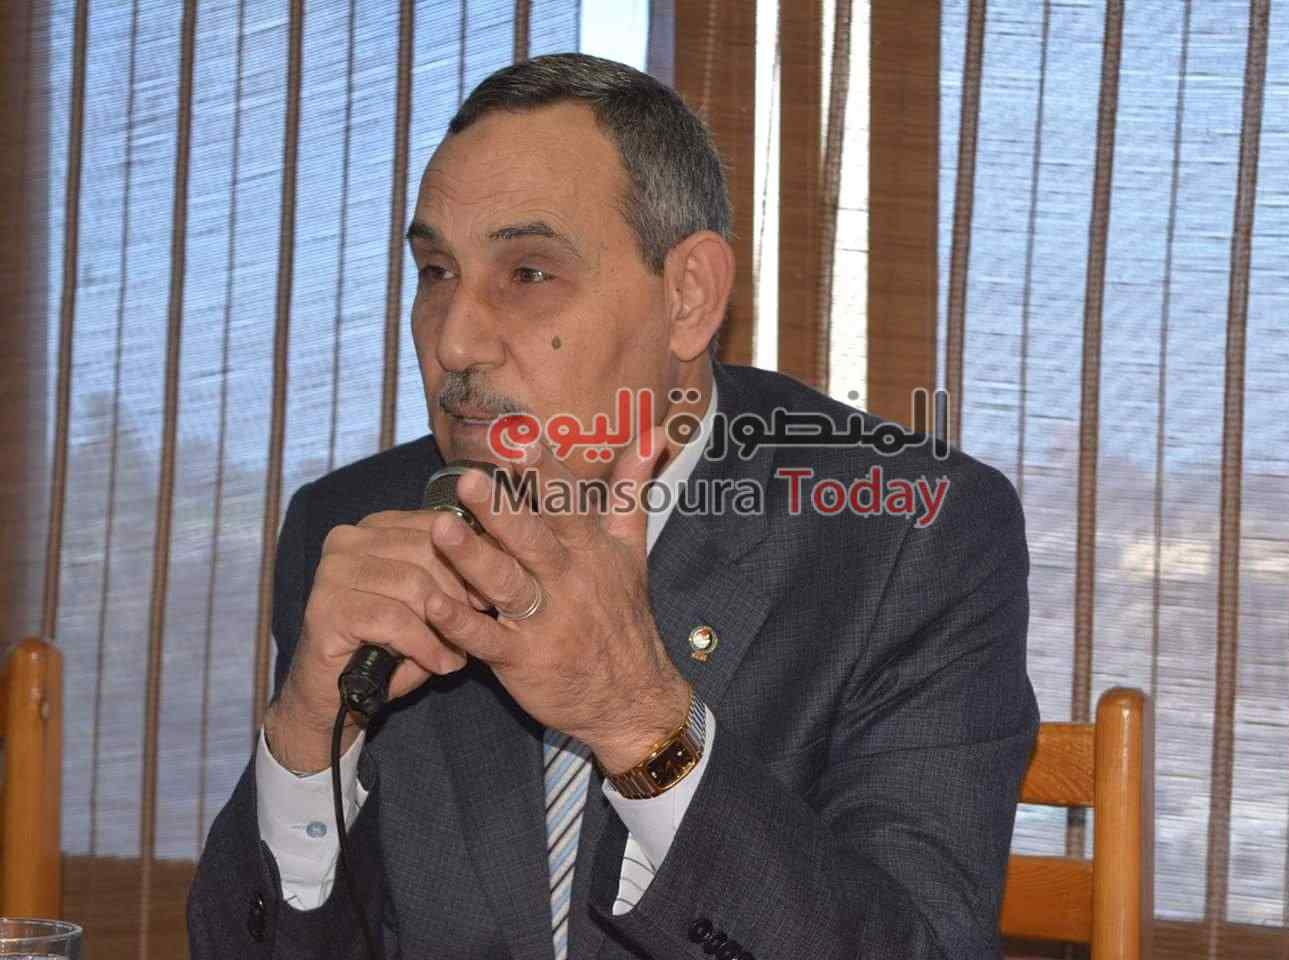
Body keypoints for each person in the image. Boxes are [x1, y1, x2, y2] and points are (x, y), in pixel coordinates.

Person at [188, 53, 1037, 960]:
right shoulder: (355, 527)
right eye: (435, 272)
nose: (455, 340)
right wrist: (308, 737)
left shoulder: (908, 534)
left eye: (528, 273)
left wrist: (641, 722)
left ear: (689, 296)